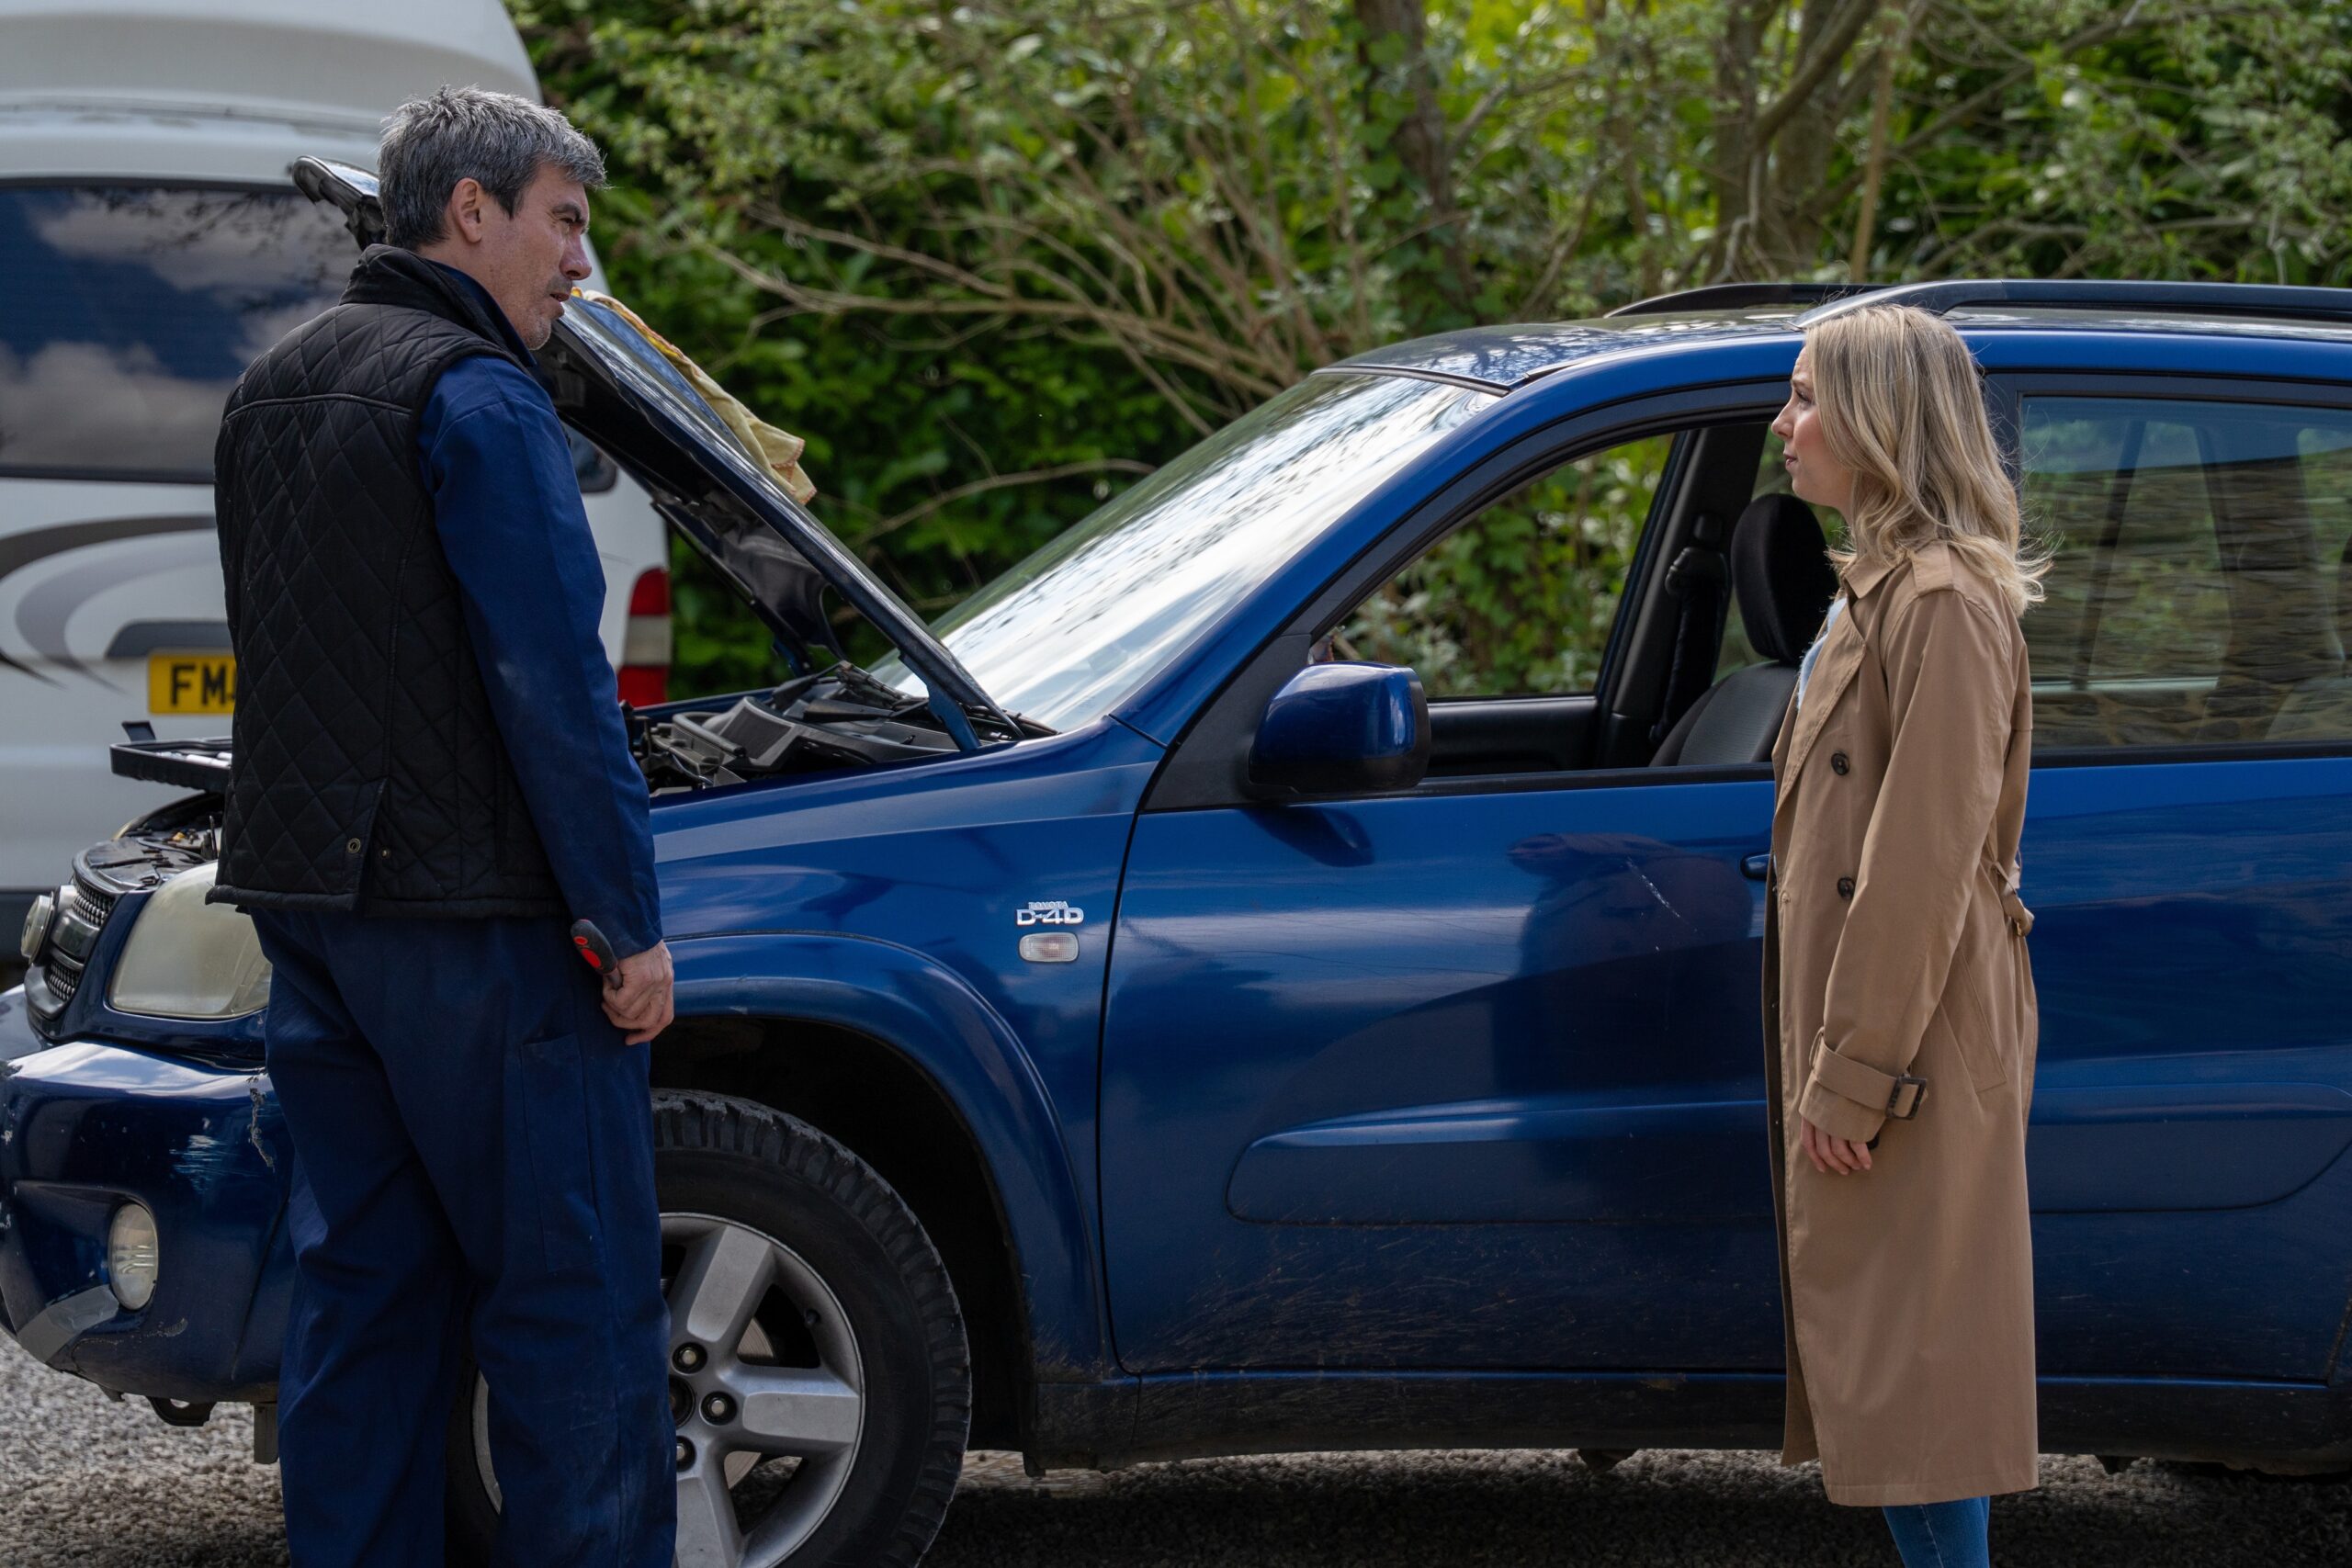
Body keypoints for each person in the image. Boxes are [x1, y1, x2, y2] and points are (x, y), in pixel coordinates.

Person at [208, 86, 676, 1565]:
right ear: (473, 212)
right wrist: (628, 925)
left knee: (365, 1298)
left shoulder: (269, 391)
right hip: (480, 934)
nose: (580, 265)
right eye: (565, 222)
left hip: (315, 917)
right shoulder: (480, 398)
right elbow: (556, 692)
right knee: (574, 1310)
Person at [1760, 303, 2046, 1568]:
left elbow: (1923, 863)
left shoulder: (1943, 603)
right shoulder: (1876, 590)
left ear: (1880, 421)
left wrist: (1857, 1072)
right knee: (1898, 1366)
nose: (1784, 423)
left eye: (1806, 396)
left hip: (1913, 1041)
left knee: (1918, 1378)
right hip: (1883, 1030)